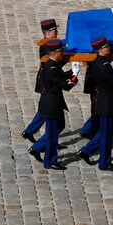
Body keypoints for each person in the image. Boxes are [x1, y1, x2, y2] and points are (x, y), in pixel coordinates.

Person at [28, 40, 79, 170]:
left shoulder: (52, 65)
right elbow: (66, 86)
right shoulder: (51, 68)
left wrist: (71, 71)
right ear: (55, 53)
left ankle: (37, 148)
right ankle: (50, 161)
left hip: (52, 101)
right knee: (52, 134)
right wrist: (75, 76)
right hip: (51, 104)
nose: (62, 53)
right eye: (61, 51)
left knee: (60, 126)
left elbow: (61, 76)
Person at [78, 37, 113, 171]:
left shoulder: (97, 62)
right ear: (101, 50)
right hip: (105, 101)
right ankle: (104, 162)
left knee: (107, 130)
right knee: (106, 133)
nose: (109, 48)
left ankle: (87, 151)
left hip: (101, 99)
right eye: (106, 47)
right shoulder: (104, 65)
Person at [21, 18, 60, 144]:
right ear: (47, 33)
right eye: (54, 30)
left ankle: (29, 131)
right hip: (47, 80)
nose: (57, 32)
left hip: (48, 78)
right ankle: (35, 135)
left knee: (44, 110)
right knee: (46, 110)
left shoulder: (51, 43)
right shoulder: (46, 46)